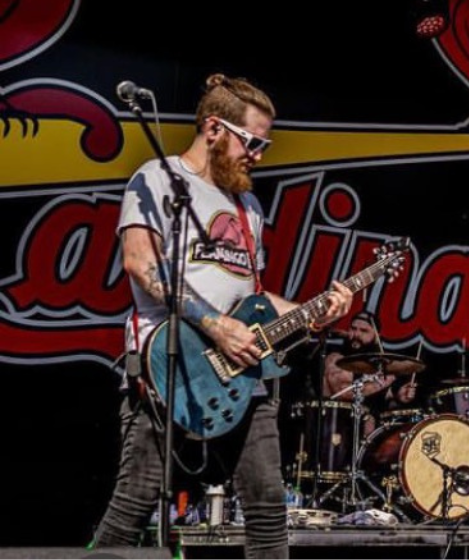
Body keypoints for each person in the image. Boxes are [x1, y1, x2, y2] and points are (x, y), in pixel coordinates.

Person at [95, 74, 354, 558]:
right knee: (136, 498)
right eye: (252, 141)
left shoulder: (247, 206)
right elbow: (139, 263)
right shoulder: (155, 178)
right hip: (170, 364)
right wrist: (217, 327)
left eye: (265, 144)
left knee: (268, 505)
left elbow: (254, 295)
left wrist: (313, 313)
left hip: (242, 374)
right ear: (214, 128)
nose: (258, 154)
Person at [323, 311, 419, 430]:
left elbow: (384, 401)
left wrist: (399, 396)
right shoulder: (336, 357)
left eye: (364, 331)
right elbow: (343, 391)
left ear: (376, 335)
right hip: (334, 425)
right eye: (353, 328)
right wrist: (384, 381)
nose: (357, 334)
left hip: (363, 429)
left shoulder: (376, 366)